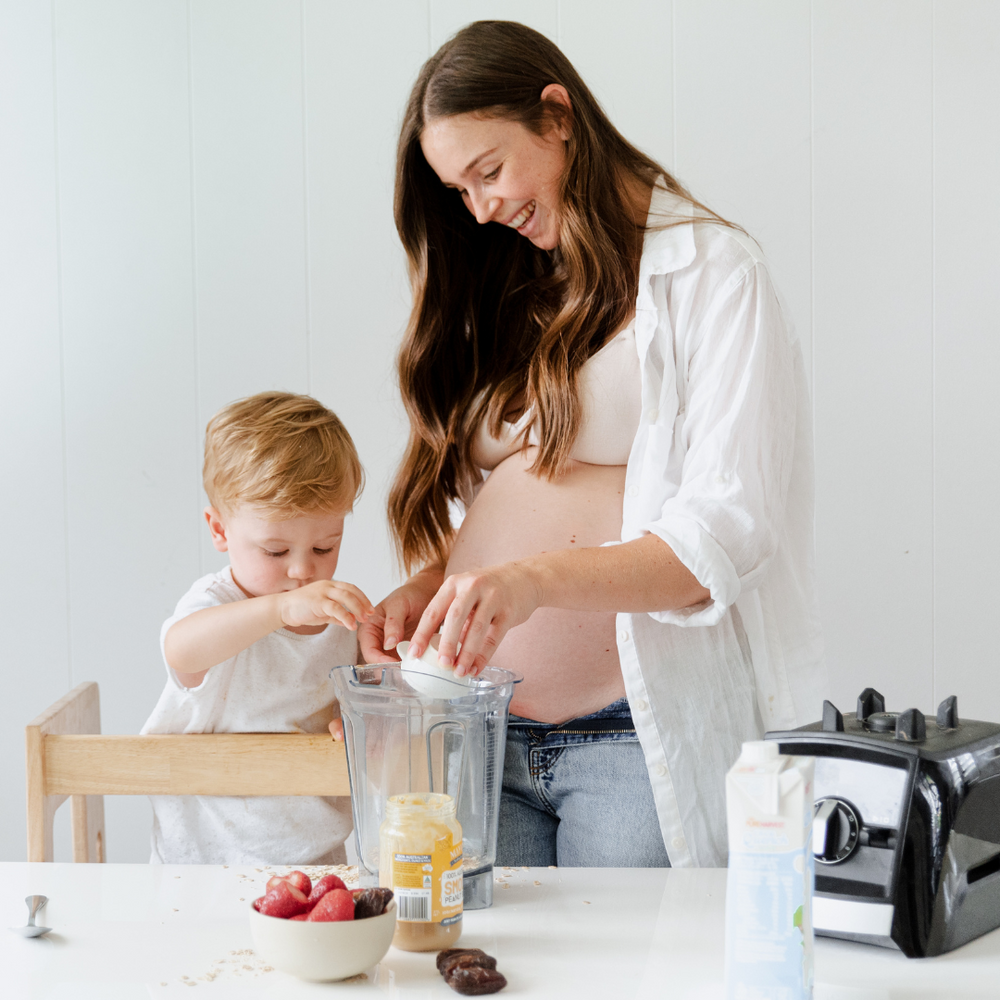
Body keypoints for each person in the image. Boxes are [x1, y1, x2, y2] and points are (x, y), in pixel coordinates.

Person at [359, 20, 826, 868]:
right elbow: (510, 507)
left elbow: (724, 536)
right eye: (462, 191)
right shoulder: (510, 286)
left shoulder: (717, 275)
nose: (484, 209)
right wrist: (435, 591)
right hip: (476, 731)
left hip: (627, 743)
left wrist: (529, 583)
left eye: (490, 171)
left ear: (558, 114)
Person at [142, 391, 373, 865]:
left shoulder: (336, 614)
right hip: (205, 865)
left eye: (325, 547)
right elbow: (180, 651)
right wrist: (278, 612)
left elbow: (365, 706)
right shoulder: (215, 604)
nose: (301, 572)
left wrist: (362, 723)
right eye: (275, 551)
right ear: (220, 530)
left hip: (314, 860)